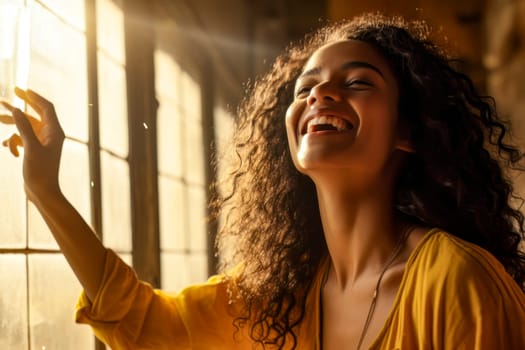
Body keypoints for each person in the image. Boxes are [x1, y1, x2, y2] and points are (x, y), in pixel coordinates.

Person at [2, 12, 525, 350]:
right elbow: (144, 324)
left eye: (358, 82)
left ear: (409, 131)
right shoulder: (278, 297)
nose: (320, 95)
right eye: (306, 88)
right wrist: (46, 192)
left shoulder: (459, 283)